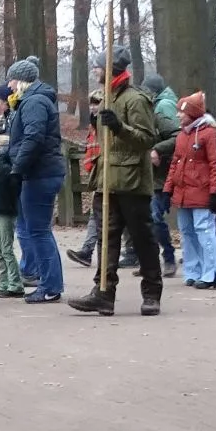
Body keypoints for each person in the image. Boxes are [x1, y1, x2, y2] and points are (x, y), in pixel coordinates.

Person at [66, 48, 163, 317]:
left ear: (110, 69)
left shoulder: (135, 100)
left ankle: (152, 293)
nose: (94, 70)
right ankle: (103, 294)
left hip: (132, 183)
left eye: (98, 66)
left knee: (142, 239)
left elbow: (146, 139)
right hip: (106, 181)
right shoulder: (105, 97)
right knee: (106, 240)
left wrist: (119, 126)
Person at [2, 57, 66, 304]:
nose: (9, 85)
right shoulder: (34, 100)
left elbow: (33, 137)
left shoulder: (34, 102)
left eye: (12, 79)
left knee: (38, 230)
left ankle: (50, 285)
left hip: (40, 173)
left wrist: (17, 167)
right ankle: (49, 282)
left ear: (22, 80)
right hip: (41, 171)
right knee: (38, 230)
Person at [163, 92, 216, 289]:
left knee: (204, 231)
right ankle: (193, 271)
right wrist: (168, 189)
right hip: (183, 192)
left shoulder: (210, 134)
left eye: (181, 113)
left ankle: (213, 272)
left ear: (191, 113)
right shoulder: (183, 135)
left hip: (202, 191)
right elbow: (175, 163)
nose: (178, 116)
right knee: (187, 232)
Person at [0, 82, 26, 299]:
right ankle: (4, 282)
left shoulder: (4, 167)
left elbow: (10, 174)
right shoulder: (6, 122)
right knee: (1, 249)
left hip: (6, 207)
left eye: (0, 102)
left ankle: (15, 282)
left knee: (7, 248)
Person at [143, 73, 180, 274]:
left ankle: (168, 257)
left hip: (160, 174)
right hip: (155, 173)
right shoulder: (161, 104)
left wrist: (157, 149)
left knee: (155, 216)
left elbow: (177, 135)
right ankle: (150, 261)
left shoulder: (163, 107)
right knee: (148, 217)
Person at [66, 90, 104, 268]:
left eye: (97, 103)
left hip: (108, 173)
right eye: (92, 103)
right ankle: (87, 251)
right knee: (96, 215)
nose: (93, 107)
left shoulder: (104, 124)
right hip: (99, 175)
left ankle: (136, 251)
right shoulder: (93, 124)